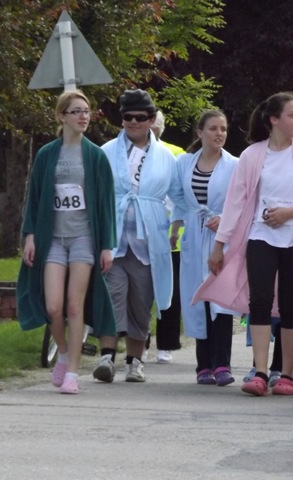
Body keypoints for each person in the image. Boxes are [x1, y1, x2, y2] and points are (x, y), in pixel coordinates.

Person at [194, 91, 293, 397]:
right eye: (292, 115)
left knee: (292, 305)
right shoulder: (252, 155)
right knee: (260, 302)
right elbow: (235, 203)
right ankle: (261, 372)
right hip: (259, 237)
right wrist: (220, 245)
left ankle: (287, 374)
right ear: (274, 120)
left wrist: (291, 212)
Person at [17, 91, 116, 394]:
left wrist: (107, 245)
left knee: (75, 306)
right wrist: (30, 235)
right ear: (62, 116)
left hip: (84, 238)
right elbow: (34, 198)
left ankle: (72, 371)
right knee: (53, 306)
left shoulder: (96, 156)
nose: (83, 116)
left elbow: (106, 204)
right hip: (53, 239)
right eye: (76, 111)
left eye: (86, 111)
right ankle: (61, 352)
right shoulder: (47, 154)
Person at [92, 89, 184, 383]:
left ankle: (135, 362)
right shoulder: (106, 151)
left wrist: (176, 226)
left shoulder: (167, 157)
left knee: (141, 303)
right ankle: (107, 357)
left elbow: (179, 196)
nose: (133, 122)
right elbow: (95, 193)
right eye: (128, 117)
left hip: (148, 242)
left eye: (140, 117)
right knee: (112, 296)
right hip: (114, 240)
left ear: (151, 119)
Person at [170, 110, 238, 385]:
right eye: (213, 128)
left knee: (219, 299)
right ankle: (203, 365)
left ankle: (222, 364)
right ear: (200, 132)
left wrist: (224, 219)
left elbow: (241, 201)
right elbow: (177, 194)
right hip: (194, 235)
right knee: (198, 297)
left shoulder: (234, 165)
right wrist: (176, 226)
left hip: (221, 238)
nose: (219, 134)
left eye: (223, 129)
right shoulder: (184, 163)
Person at [150, 109, 186, 364]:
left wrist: (175, 225)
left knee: (170, 294)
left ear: (160, 128)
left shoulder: (175, 153)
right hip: (141, 235)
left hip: (172, 237)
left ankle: (166, 345)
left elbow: (180, 193)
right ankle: (137, 342)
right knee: (140, 292)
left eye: (154, 126)